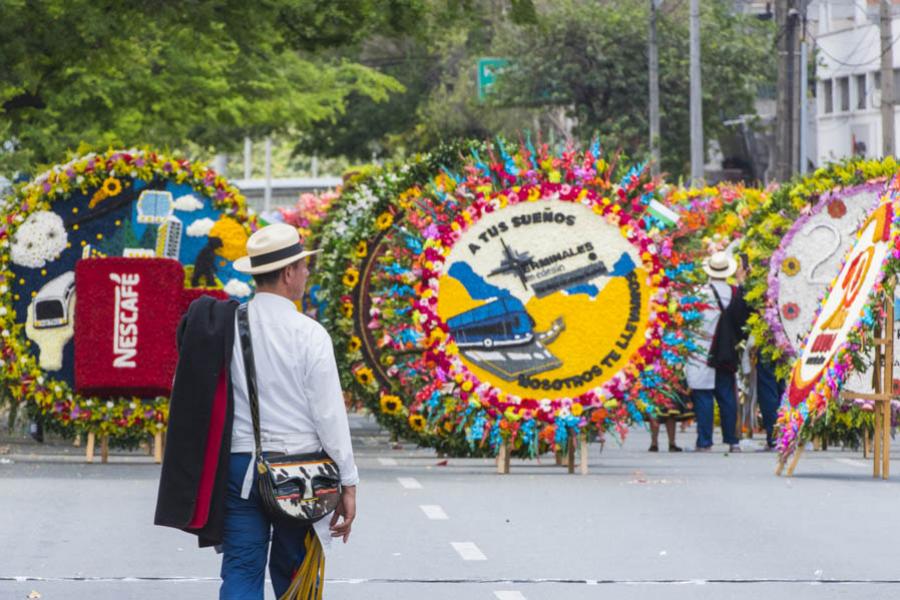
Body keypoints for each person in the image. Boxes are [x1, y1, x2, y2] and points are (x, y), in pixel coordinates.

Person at [155, 223, 359, 600]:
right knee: (296, 572)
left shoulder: (227, 326)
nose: (306, 273)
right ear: (288, 273)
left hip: (239, 470)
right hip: (301, 476)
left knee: (241, 570)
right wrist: (348, 482)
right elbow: (329, 416)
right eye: (303, 266)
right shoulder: (310, 334)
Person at [686, 251, 750, 453]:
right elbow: (744, 322)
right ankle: (732, 440)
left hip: (701, 351)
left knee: (703, 396)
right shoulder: (735, 292)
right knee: (727, 397)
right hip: (726, 351)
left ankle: (705, 441)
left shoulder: (698, 293)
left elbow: (688, 322)